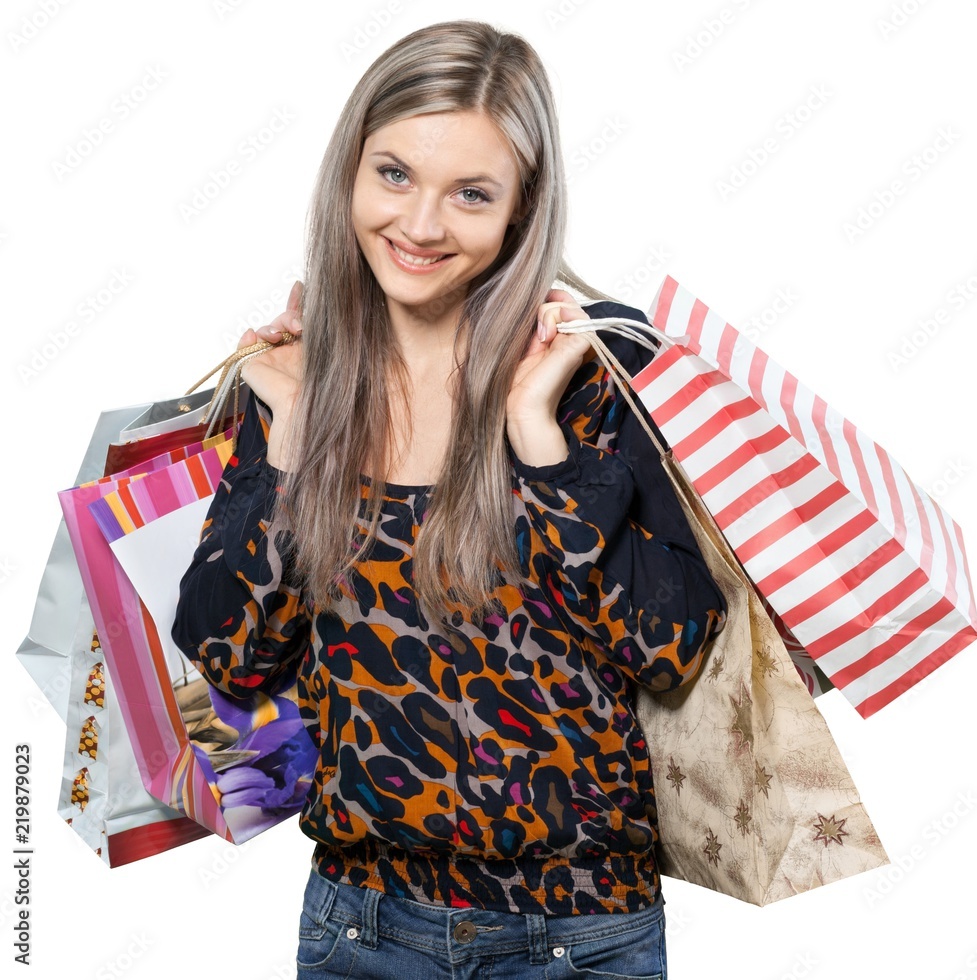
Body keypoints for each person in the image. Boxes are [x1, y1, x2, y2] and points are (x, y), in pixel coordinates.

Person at [172, 19, 726, 980]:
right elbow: (230, 653)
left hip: (580, 937)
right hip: (362, 927)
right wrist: (295, 443)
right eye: (394, 175)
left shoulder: (593, 368)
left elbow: (671, 650)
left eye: (471, 194)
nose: (421, 226)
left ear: (522, 210)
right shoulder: (299, 379)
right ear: (348, 171)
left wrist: (543, 447)